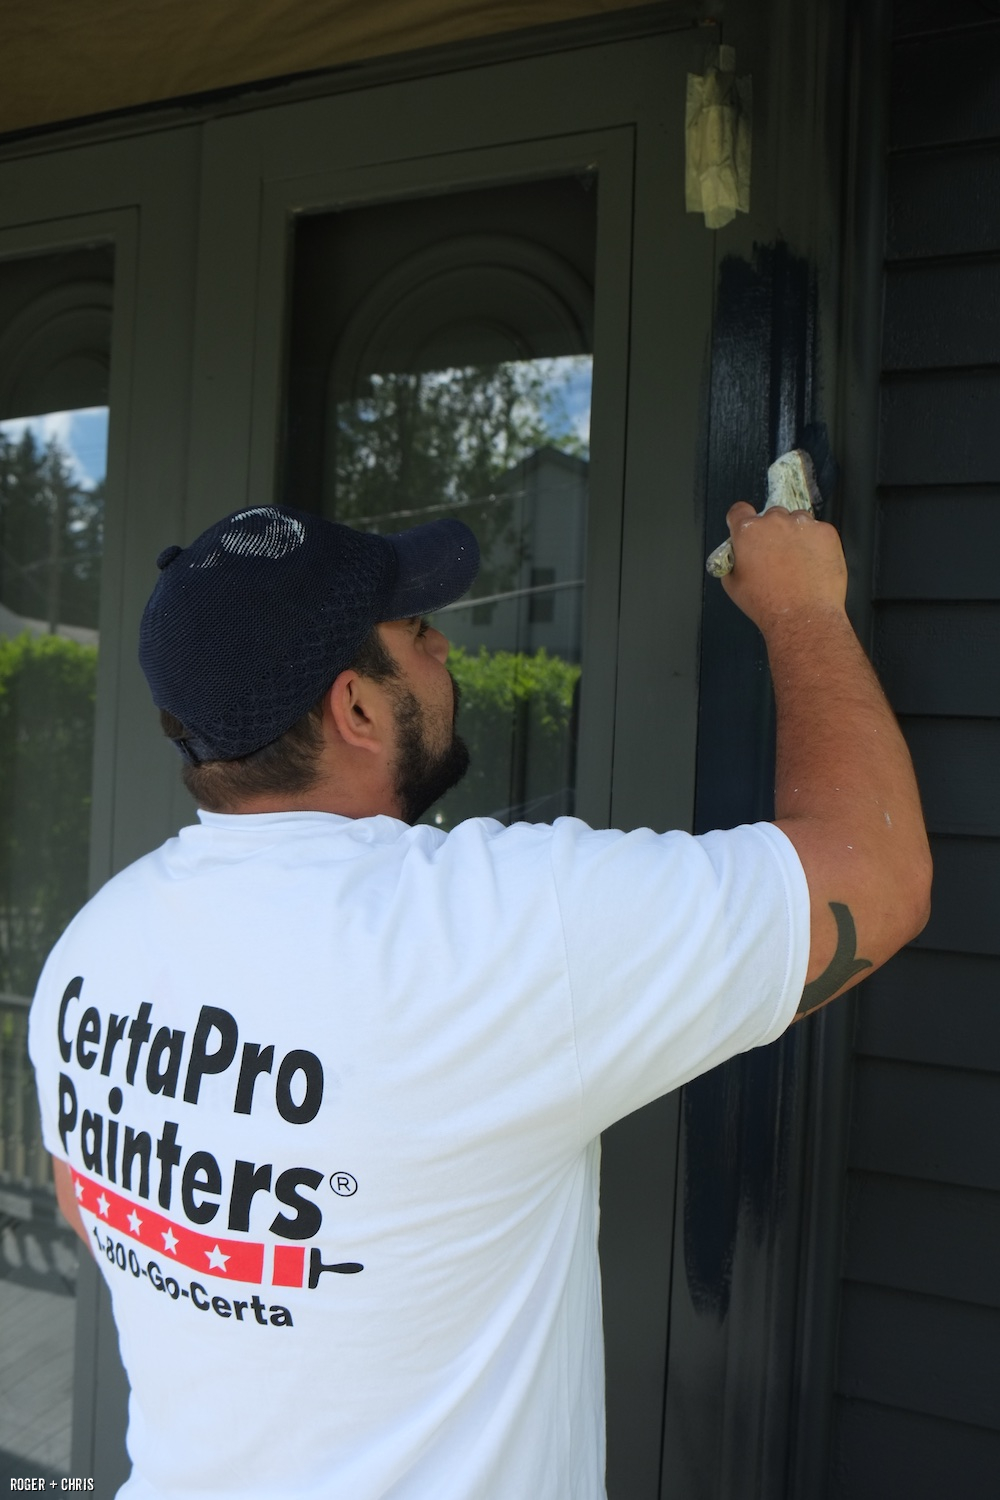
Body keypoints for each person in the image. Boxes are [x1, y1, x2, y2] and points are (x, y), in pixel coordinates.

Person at [28, 499, 930, 1500]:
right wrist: (803, 611)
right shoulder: (487, 931)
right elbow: (875, 877)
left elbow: (88, 1202)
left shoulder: (94, 947)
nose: (441, 644)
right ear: (357, 710)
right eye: (414, 632)